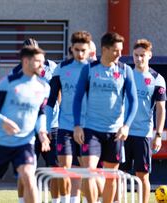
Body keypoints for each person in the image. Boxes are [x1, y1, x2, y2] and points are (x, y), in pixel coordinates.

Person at [0, 46, 51, 203]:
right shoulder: (7, 83)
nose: (42, 65)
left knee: (29, 178)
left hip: (25, 143)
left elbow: (41, 113)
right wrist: (3, 121)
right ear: (26, 61)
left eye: (43, 61)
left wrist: (41, 132)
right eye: (38, 61)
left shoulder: (44, 87)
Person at [73, 32, 138, 203]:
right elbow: (78, 98)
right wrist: (77, 125)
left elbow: (133, 101)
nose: (120, 54)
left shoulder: (125, 71)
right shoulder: (89, 69)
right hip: (91, 130)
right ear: (105, 49)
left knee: (111, 176)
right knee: (89, 172)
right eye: (116, 50)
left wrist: (127, 125)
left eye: (121, 50)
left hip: (115, 132)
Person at [11, 38, 60, 203]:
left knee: (55, 170)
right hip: (29, 130)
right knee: (25, 171)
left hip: (52, 127)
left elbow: (59, 91)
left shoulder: (51, 67)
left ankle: (55, 200)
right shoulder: (17, 72)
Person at [46, 30, 92, 203]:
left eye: (83, 50)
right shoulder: (61, 69)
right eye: (77, 49)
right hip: (65, 126)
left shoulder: (95, 69)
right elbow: (51, 101)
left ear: (88, 50)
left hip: (89, 128)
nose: (80, 54)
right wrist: (48, 126)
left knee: (87, 170)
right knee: (64, 168)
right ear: (72, 49)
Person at [119, 39, 167, 203]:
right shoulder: (125, 74)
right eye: (136, 55)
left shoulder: (157, 79)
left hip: (143, 134)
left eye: (142, 56)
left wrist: (158, 135)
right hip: (122, 133)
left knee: (142, 175)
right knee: (120, 175)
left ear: (150, 56)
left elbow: (161, 109)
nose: (139, 59)